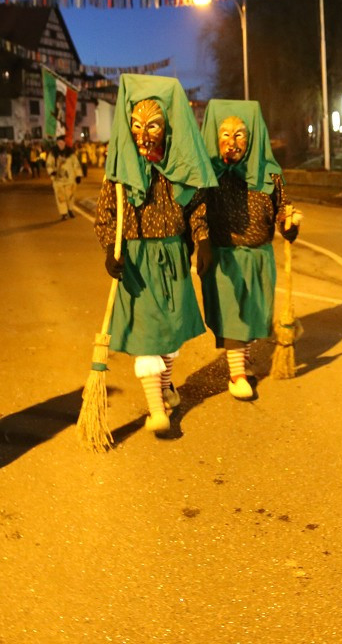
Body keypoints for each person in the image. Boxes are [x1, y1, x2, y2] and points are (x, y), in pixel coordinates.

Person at [93, 74, 217, 433]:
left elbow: (196, 205)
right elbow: (105, 215)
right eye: (136, 125)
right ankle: (157, 408)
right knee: (149, 335)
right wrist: (109, 248)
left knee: (170, 334)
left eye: (153, 126)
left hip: (173, 255)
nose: (143, 134)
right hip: (136, 261)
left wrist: (203, 237)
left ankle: (164, 388)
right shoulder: (118, 171)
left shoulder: (179, 165)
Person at [192, 99, 298, 400]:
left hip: (259, 256)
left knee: (252, 315)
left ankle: (243, 360)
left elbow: (282, 207)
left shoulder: (269, 173)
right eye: (225, 134)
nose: (232, 141)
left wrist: (289, 224)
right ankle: (237, 373)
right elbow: (197, 210)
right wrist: (202, 241)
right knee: (232, 315)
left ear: (252, 138)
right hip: (225, 256)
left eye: (239, 134)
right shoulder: (208, 175)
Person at [47, 139, 80, 220]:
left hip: (70, 179)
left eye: (62, 143)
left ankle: (70, 209)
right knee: (60, 197)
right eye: (59, 143)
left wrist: (78, 175)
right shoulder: (53, 154)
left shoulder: (71, 154)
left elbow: (76, 164)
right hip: (58, 179)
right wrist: (51, 172)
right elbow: (49, 164)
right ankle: (63, 213)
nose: (61, 144)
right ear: (57, 143)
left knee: (70, 196)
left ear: (65, 143)